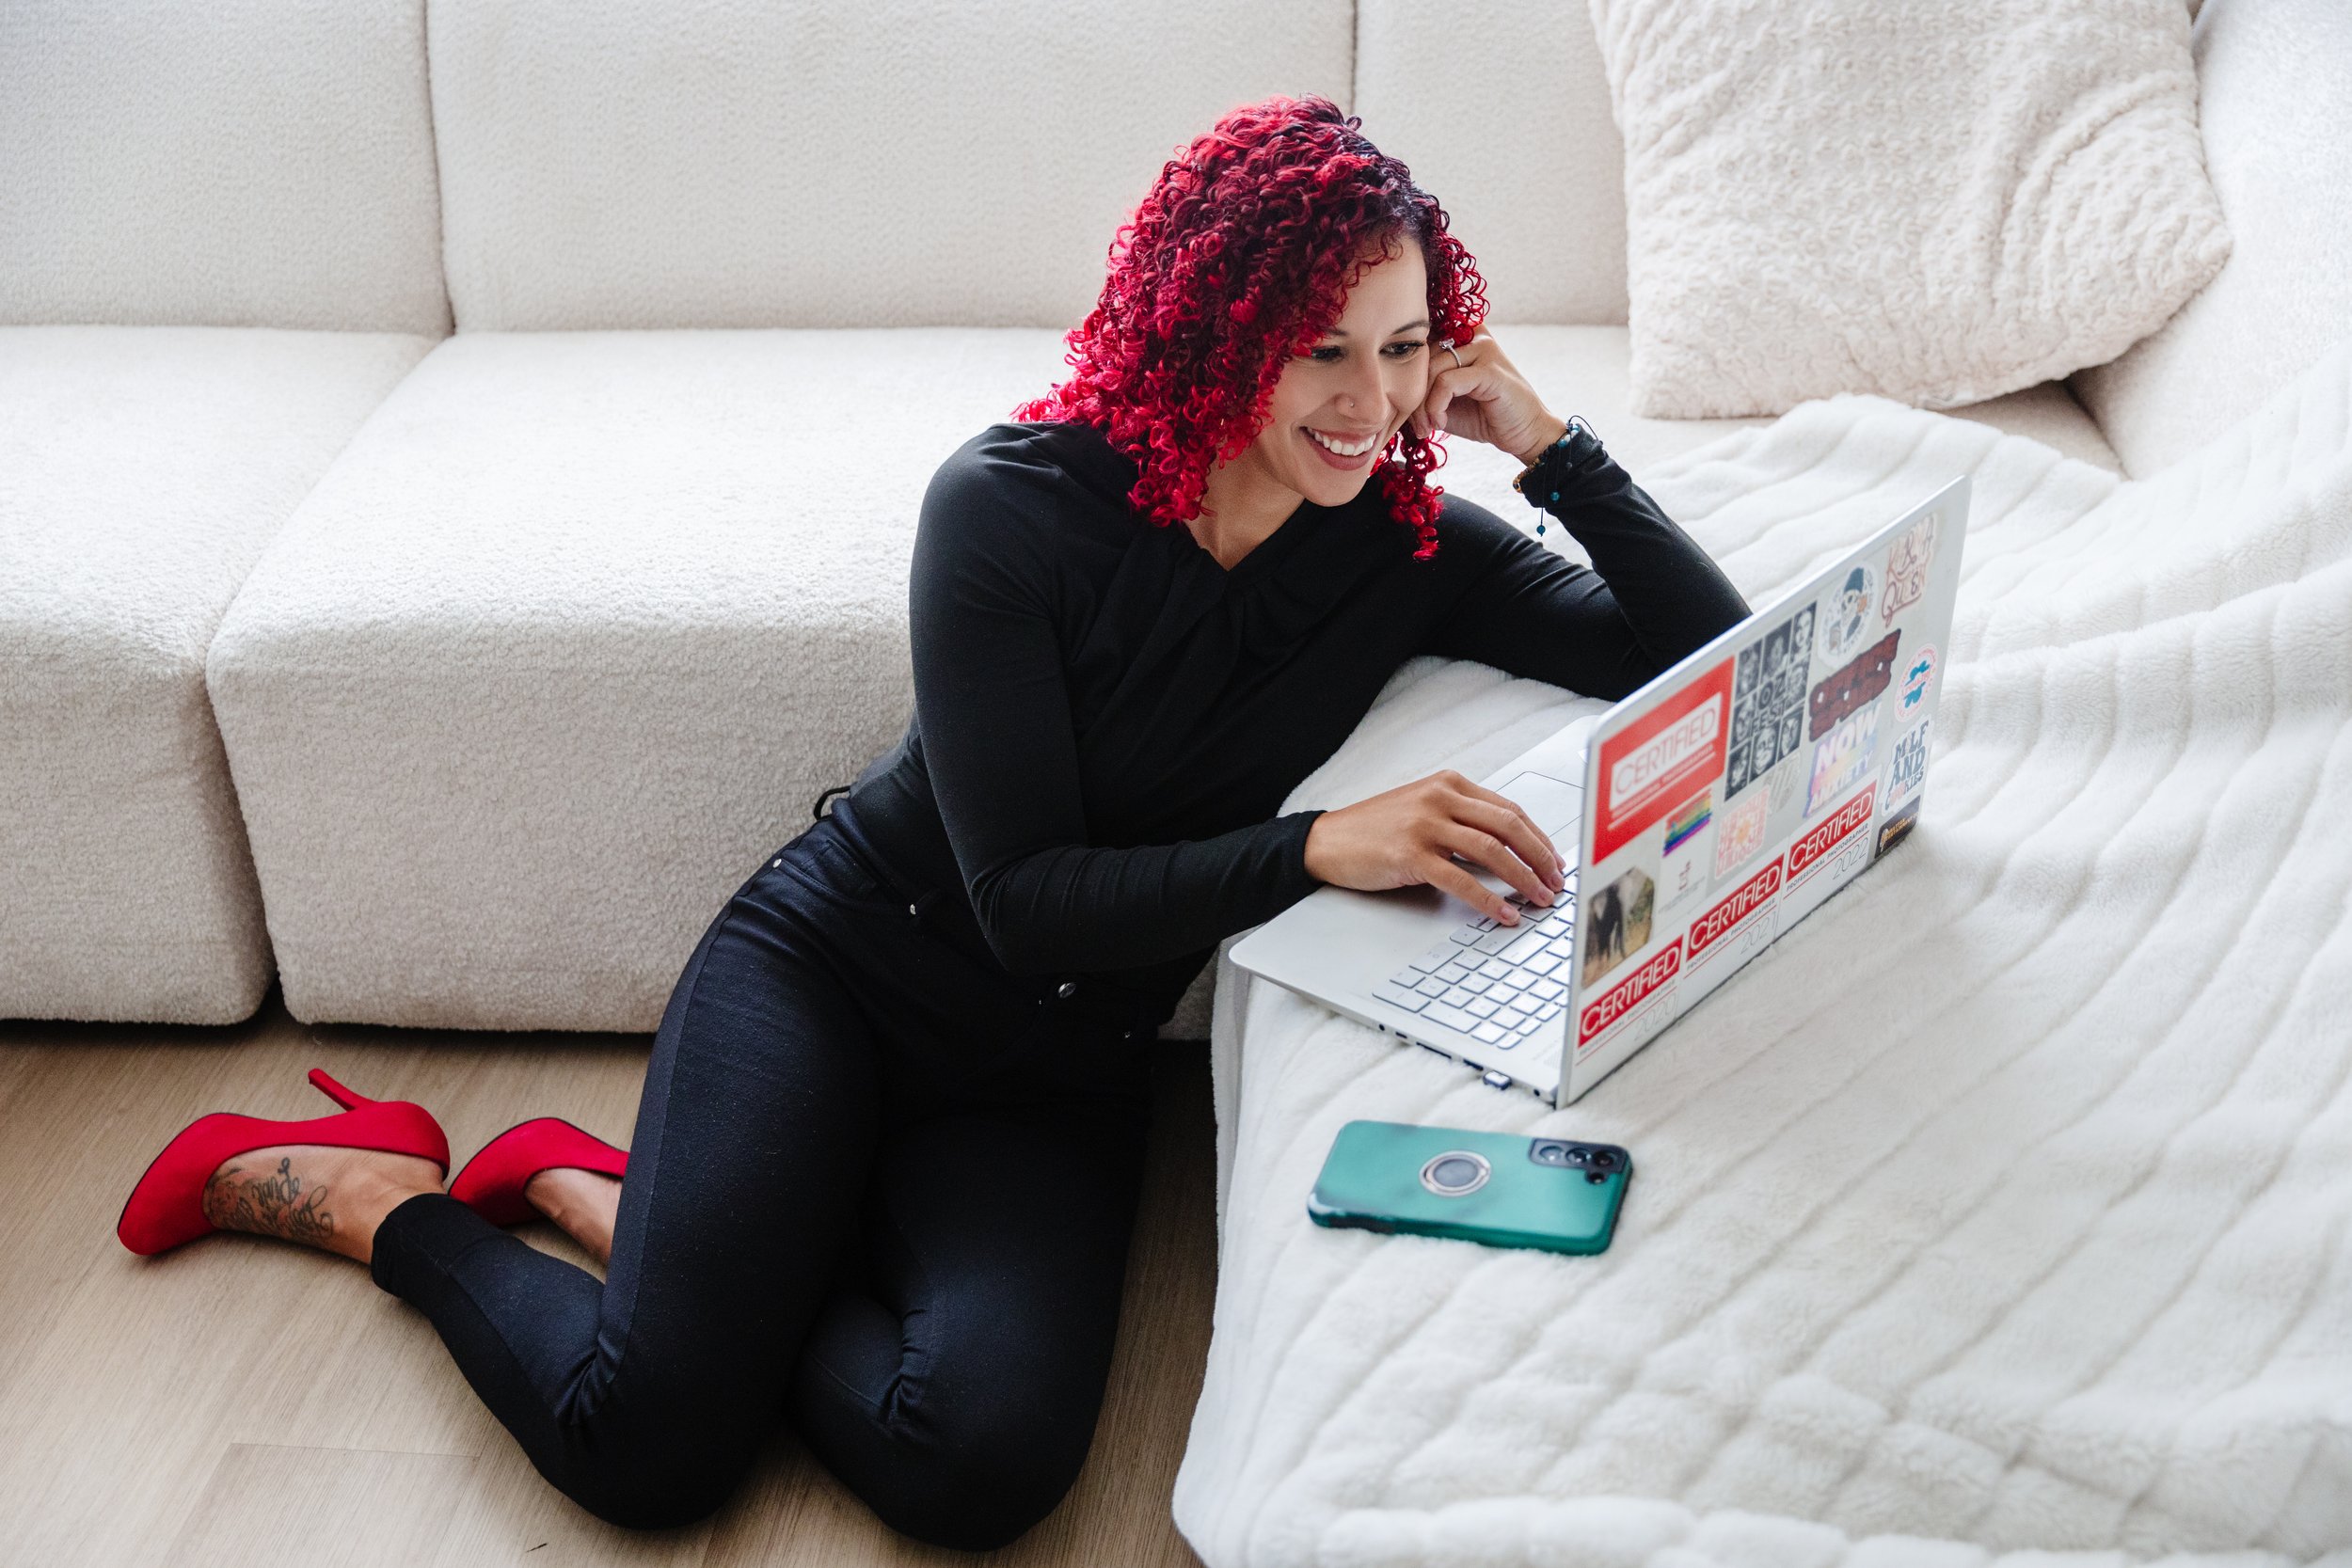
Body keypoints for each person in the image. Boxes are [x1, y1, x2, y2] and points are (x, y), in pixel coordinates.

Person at [114, 93, 1748, 1548]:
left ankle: (611, 1201)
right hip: (844, 973)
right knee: (648, 1448)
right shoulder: (1013, 504)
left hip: (1053, 1070)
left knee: (977, 1468)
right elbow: (1024, 897)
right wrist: (1319, 846)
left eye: (1404, 348)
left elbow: (1704, 662)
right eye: (1319, 347)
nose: (1369, 401)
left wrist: (1550, 445)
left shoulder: (1405, 544)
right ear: (1212, 327)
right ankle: (378, 1197)